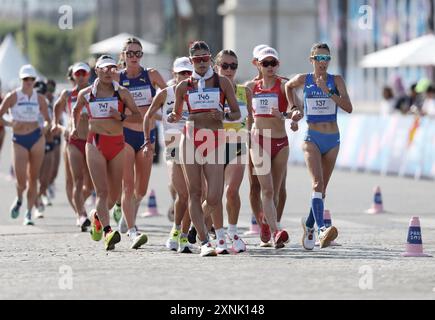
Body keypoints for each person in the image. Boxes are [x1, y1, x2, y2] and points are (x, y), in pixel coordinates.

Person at [167, 41, 241, 256]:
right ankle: (204, 241)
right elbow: (178, 114)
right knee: (195, 192)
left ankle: (192, 227)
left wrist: (225, 115)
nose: (201, 63)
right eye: (197, 59)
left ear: (210, 58)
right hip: (190, 138)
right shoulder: (183, 86)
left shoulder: (223, 82)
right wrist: (173, 116)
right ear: (191, 61)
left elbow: (237, 113)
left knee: (215, 197)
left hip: (215, 139)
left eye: (205, 58)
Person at [72, 55, 145, 250]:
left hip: (117, 144)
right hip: (95, 143)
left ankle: (96, 217)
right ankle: (107, 232)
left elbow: (138, 117)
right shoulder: (86, 94)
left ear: (115, 70)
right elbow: (76, 110)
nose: (107, 72)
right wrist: (74, 127)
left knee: (114, 195)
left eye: (111, 68)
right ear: (96, 70)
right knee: (102, 191)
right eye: (103, 68)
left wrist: (120, 116)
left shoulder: (122, 93)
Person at [285, 42, 353, 250]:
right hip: (311, 137)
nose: (323, 63)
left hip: (332, 140)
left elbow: (348, 108)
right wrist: (294, 107)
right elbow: (288, 86)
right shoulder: (303, 79)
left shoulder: (336, 80)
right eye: (319, 58)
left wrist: (328, 91)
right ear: (311, 60)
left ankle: (309, 226)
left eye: (326, 59)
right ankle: (323, 229)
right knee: (316, 184)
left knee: (322, 190)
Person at [114, 37, 167, 236]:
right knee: (127, 185)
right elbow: (108, 101)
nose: (134, 57)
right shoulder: (117, 79)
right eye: (130, 53)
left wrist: (163, 115)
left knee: (141, 189)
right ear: (123, 56)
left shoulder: (151, 75)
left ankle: (129, 218)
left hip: (147, 134)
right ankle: (132, 227)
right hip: (125, 134)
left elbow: (169, 96)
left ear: (142, 55)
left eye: (138, 53)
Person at [144, 56, 193, 253]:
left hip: (195, 142)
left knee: (196, 195)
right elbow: (148, 115)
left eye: (188, 72)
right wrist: (148, 141)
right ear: (174, 73)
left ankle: (183, 234)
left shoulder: (198, 92)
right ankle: (176, 229)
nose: (185, 76)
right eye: (181, 72)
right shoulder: (166, 93)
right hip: (173, 142)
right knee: (182, 192)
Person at [245, 47, 290, 249]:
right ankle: (276, 231)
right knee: (266, 189)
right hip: (258, 139)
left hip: (280, 141)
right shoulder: (249, 87)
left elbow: (295, 109)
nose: (270, 67)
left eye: (273, 63)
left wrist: (289, 116)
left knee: (278, 191)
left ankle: (266, 223)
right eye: (266, 63)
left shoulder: (284, 85)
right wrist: (246, 137)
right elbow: (246, 115)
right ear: (258, 65)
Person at [0, 65, 51, 225]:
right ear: (21, 79)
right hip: (19, 140)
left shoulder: (40, 98)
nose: (28, 82)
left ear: (35, 80)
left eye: (31, 79)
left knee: (33, 178)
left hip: (36, 138)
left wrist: (45, 128)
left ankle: (28, 213)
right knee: (21, 179)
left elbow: (48, 120)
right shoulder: (13, 96)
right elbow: (1, 116)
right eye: (25, 79)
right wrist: (10, 124)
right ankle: (20, 198)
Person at [215, 49, 252, 253]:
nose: (229, 70)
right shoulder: (210, 91)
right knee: (211, 196)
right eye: (225, 66)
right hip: (211, 145)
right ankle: (209, 231)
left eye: (233, 66)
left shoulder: (244, 91)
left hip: (237, 143)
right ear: (216, 67)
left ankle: (233, 231)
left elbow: (251, 120)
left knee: (231, 192)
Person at [53, 63, 94, 231]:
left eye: (84, 73)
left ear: (89, 74)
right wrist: (57, 125)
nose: (81, 76)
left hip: (91, 140)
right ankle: (81, 215)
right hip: (74, 141)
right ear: (74, 76)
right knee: (77, 180)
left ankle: (79, 207)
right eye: (78, 73)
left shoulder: (95, 92)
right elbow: (57, 107)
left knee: (90, 186)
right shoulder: (68, 94)